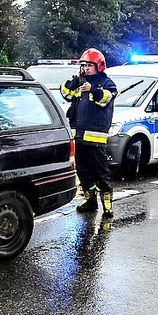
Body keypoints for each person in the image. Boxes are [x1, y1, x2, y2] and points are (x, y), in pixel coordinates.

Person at [61, 48, 118, 218]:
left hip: (95, 138)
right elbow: (65, 93)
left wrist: (92, 89)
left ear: (98, 66)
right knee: (83, 171)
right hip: (79, 136)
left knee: (100, 172)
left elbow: (106, 98)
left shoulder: (107, 83)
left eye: (89, 65)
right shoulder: (80, 82)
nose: (86, 68)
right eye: (84, 65)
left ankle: (107, 206)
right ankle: (89, 200)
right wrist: (75, 81)